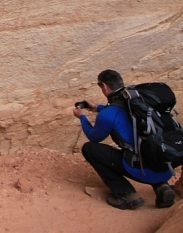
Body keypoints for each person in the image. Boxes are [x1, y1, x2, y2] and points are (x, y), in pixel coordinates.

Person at [74, 69, 176, 210]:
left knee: (90, 149)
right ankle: (162, 187)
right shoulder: (136, 100)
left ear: (104, 86)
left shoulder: (109, 114)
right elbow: (120, 114)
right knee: (147, 145)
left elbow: (94, 137)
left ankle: (128, 196)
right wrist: (98, 108)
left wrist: (82, 117)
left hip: (139, 166)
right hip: (165, 163)